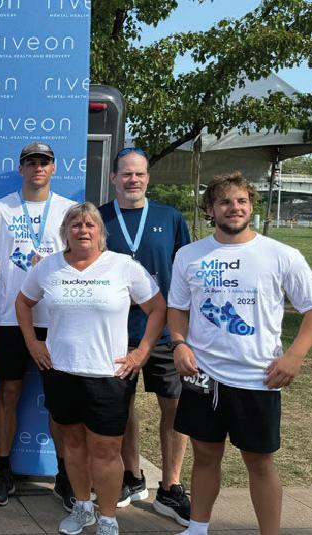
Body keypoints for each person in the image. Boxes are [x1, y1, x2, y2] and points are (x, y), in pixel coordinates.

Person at [167, 173, 312, 535]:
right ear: (211, 209)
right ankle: (197, 528)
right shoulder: (189, 255)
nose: (234, 208)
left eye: (241, 201)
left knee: (259, 462)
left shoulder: (281, 255)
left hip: (258, 377)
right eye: (225, 202)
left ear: (251, 206)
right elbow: (177, 307)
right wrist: (179, 343)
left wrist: (295, 356)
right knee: (204, 456)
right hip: (203, 375)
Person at [16, 202, 166, 535]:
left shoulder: (123, 266)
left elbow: (158, 308)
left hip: (109, 376)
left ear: (100, 231)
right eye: (75, 225)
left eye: (89, 225)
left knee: (106, 450)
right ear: (65, 232)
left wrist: (142, 352)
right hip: (62, 372)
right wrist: (33, 343)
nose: (82, 230)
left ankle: (108, 517)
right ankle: (82, 507)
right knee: (73, 445)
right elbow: (23, 303)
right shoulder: (48, 267)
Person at [0, 141, 76, 507]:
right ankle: (3, 471)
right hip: (9, 319)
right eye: (31, 162)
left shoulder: (68, 211)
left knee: (61, 401)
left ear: (54, 168)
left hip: (57, 319)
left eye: (44, 162)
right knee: (8, 393)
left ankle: (65, 475)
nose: (38, 167)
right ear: (21, 168)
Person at [97, 148, 192, 522]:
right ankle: (132, 475)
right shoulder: (99, 218)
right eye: (126, 174)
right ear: (113, 178)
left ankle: (170, 487)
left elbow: (185, 272)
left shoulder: (170, 217)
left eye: (139, 174)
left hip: (165, 330)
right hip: (116, 333)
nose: (132, 180)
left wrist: (186, 329)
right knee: (122, 407)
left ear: (148, 178)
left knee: (175, 406)